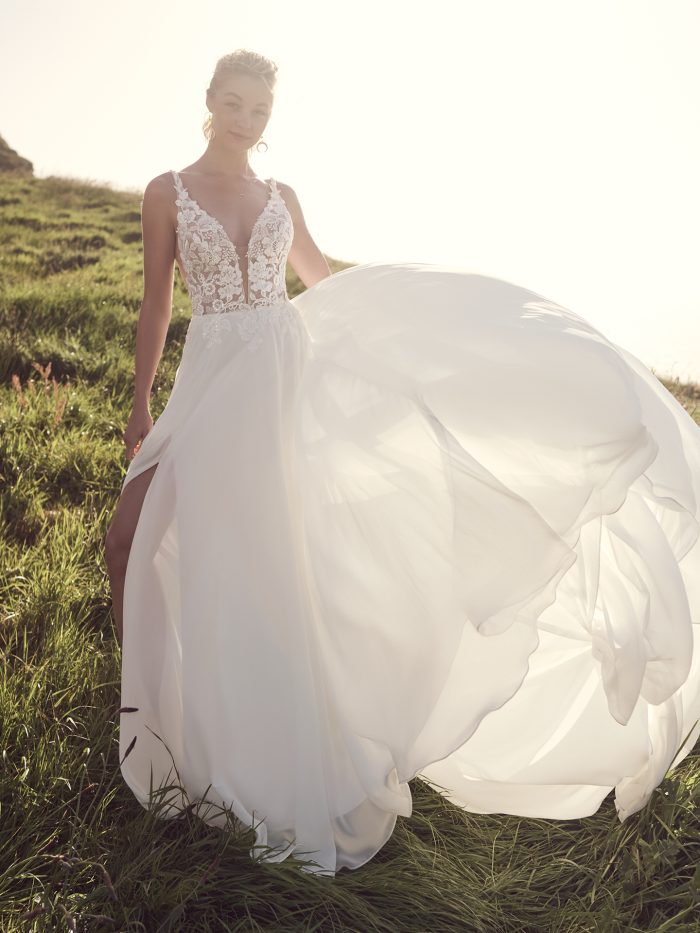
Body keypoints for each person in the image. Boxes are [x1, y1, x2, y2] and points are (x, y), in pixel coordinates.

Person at [107, 49, 700, 878]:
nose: (245, 121)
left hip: (282, 378)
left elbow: (315, 278)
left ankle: (246, 719)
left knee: (265, 564)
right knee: (128, 537)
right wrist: (140, 404)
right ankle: (142, 708)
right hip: (213, 382)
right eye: (234, 104)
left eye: (260, 111)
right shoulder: (165, 192)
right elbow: (158, 301)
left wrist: (397, 324)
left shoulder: (282, 197)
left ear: (268, 120)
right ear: (208, 100)